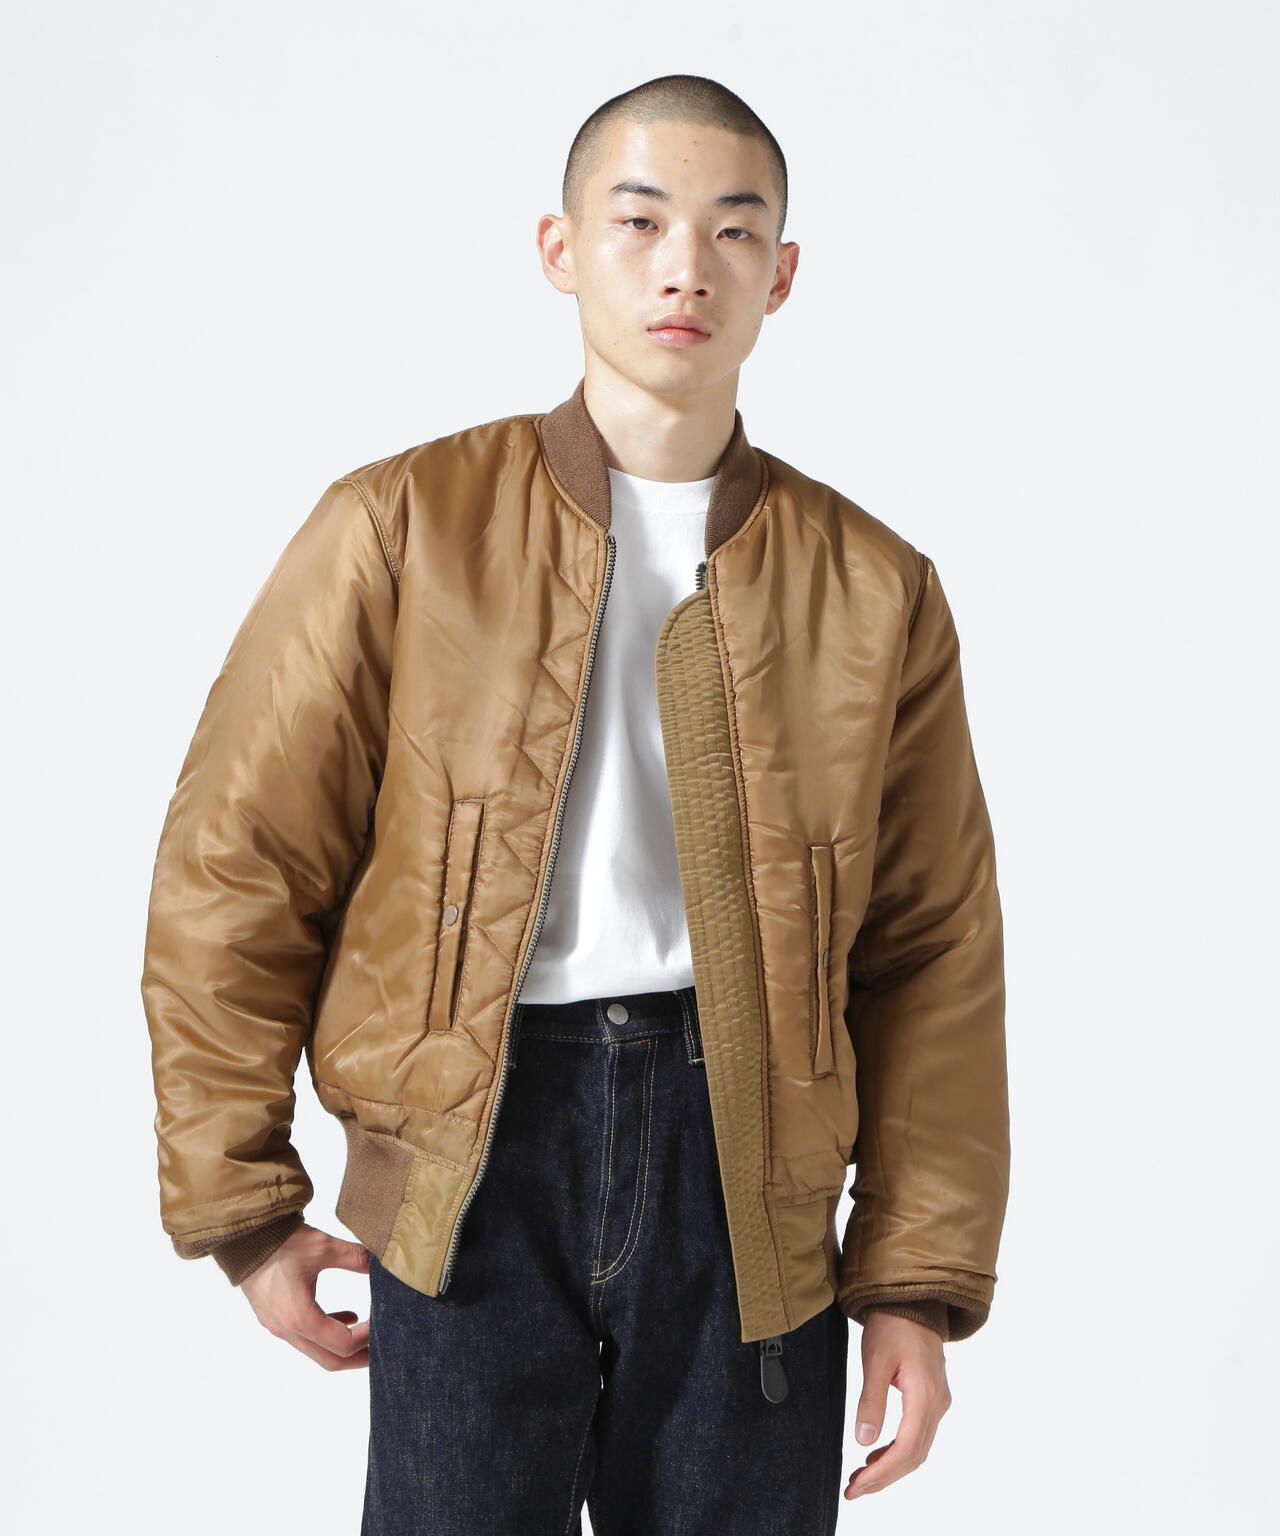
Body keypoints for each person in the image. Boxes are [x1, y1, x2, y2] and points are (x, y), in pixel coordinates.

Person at [141, 73, 1010, 1535]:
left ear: (783, 273)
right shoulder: (402, 526)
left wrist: (913, 1284)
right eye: (641, 221)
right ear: (561, 248)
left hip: (752, 1175)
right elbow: (239, 862)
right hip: (470, 1162)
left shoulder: (875, 587)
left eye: (734, 231)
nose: (687, 268)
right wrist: (244, 1206)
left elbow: (931, 950)